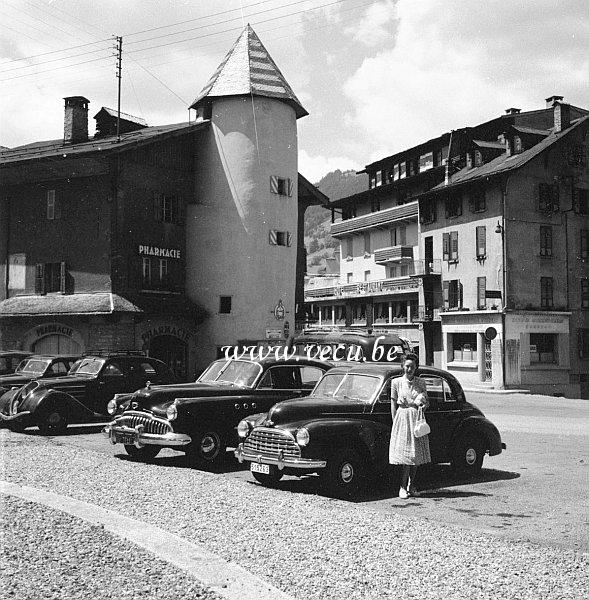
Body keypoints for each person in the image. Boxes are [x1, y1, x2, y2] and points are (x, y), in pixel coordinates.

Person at [389, 353, 431, 499]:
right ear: (402, 367)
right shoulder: (396, 382)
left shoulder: (421, 382)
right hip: (402, 418)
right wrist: (395, 421)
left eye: (412, 367)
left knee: (416, 455)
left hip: (417, 419)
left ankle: (412, 485)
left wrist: (423, 405)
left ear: (416, 368)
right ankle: (402, 486)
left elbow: (427, 403)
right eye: (407, 366)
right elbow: (393, 403)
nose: (409, 369)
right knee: (405, 456)